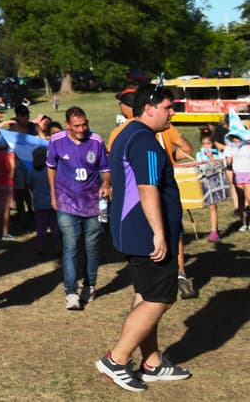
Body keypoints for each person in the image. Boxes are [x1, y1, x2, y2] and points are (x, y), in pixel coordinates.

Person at [97, 84, 192, 389]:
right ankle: (116, 359)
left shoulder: (126, 133)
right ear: (149, 108)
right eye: (168, 107)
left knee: (145, 294)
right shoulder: (145, 141)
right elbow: (147, 188)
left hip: (133, 230)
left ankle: (151, 362)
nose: (173, 113)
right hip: (144, 232)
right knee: (159, 297)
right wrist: (160, 234)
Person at [48, 107, 110, 310]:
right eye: (77, 126)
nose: (82, 129)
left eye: (84, 124)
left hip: (93, 203)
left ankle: (90, 286)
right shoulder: (56, 141)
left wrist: (106, 184)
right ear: (68, 125)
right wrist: (53, 194)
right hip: (66, 201)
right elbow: (51, 167)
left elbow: (106, 169)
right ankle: (71, 292)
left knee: (91, 246)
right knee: (71, 245)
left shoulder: (96, 141)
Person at [194, 133, 224, 241]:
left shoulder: (218, 154)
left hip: (214, 181)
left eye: (208, 144)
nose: (206, 146)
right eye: (204, 144)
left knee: (212, 206)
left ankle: (214, 231)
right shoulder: (199, 154)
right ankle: (213, 230)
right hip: (204, 181)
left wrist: (211, 157)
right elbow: (198, 166)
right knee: (209, 206)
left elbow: (220, 166)